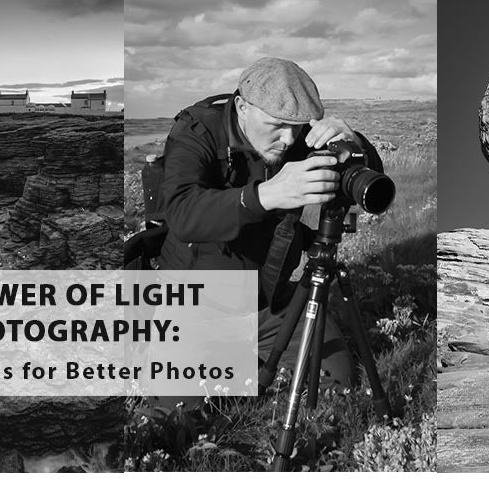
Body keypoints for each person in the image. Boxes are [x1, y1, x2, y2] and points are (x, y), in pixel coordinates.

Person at [156, 57, 383, 387]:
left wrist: (356, 145)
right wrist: (264, 195)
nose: (289, 139)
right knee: (175, 416)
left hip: (268, 303)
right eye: (277, 124)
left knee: (338, 384)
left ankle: (249, 358)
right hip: (195, 302)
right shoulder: (198, 132)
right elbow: (180, 212)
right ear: (242, 107)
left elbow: (365, 181)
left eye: (297, 126)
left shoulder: (299, 138)